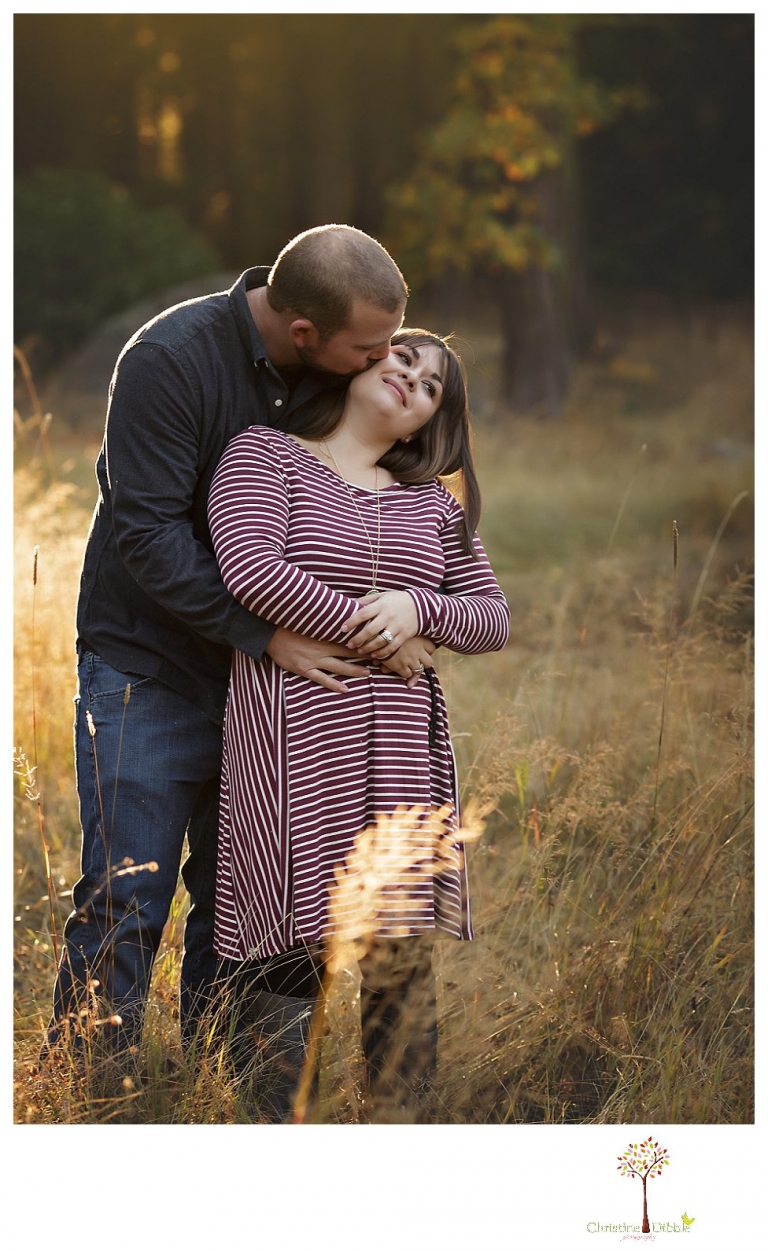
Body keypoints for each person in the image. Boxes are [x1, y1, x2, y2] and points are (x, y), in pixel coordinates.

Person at [45, 224, 424, 1065]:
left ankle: (228, 1092)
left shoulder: (345, 383)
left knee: (248, 900)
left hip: (277, 693)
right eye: (371, 345)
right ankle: (88, 1097)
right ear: (303, 334)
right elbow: (146, 534)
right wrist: (262, 633)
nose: (386, 360)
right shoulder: (169, 361)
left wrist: (407, 606)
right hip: (151, 667)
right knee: (127, 897)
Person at [207, 329, 510, 1120]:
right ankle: (274, 1133)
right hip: (292, 736)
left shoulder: (430, 505)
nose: (413, 377)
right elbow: (248, 569)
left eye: (433, 385)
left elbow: (490, 617)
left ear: (426, 426)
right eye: (402, 358)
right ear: (361, 364)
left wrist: (420, 607)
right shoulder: (264, 455)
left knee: (398, 953)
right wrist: (378, 630)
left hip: (402, 752)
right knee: (288, 944)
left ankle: (400, 1142)